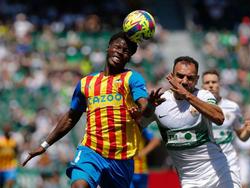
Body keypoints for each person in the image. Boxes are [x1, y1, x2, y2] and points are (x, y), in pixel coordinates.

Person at [22, 31, 159, 188]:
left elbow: (144, 104)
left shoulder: (132, 78)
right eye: (118, 47)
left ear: (129, 57)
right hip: (91, 151)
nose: (120, 52)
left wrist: (145, 108)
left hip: (121, 158)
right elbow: (71, 116)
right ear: (108, 48)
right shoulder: (86, 83)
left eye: (126, 51)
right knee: (79, 186)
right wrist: (44, 145)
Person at [137, 56, 241, 187]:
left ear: (197, 79)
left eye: (190, 78)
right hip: (189, 180)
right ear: (172, 76)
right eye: (180, 76)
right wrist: (145, 110)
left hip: (218, 172)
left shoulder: (203, 96)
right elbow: (137, 125)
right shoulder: (159, 101)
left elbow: (219, 117)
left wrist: (187, 95)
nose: (184, 81)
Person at [202, 69, 250, 187]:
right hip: (206, 164)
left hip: (229, 162)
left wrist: (248, 131)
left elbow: (242, 136)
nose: (211, 85)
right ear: (202, 85)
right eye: (207, 82)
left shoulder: (232, 107)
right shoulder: (195, 108)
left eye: (214, 82)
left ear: (219, 84)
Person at [0, 124, 18, 188]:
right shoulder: (1, 141)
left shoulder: (13, 142)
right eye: (6, 130)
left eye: (9, 130)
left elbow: (16, 152)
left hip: (10, 166)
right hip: (1, 166)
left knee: (10, 182)